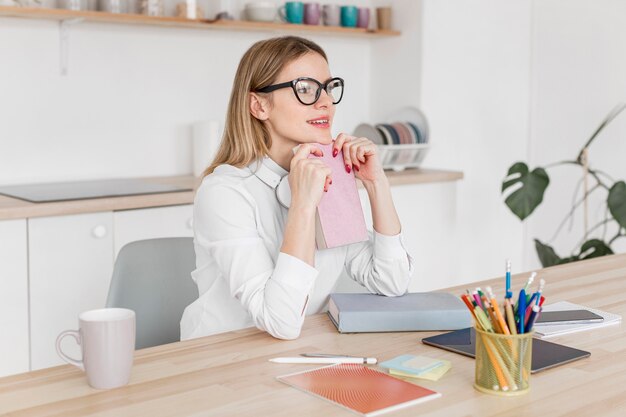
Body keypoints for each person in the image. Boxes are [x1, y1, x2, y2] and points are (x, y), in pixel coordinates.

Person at [180, 36, 414, 341]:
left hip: (294, 354)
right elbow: (280, 321)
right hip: (218, 359)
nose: (326, 102)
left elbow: (391, 282)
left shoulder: (327, 174)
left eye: (329, 88)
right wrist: (304, 205)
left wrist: (375, 183)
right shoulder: (224, 192)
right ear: (259, 104)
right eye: (304, 88)